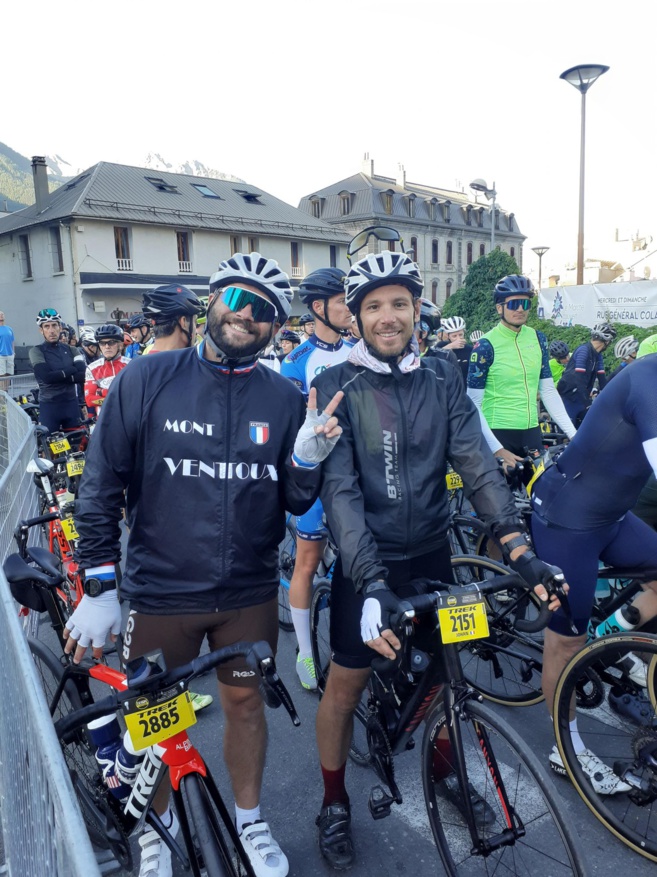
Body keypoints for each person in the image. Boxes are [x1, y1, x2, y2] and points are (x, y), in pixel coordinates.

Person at [62, 252, 343, 877]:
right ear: (209, 303)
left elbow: (296, 500)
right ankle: (159, 835)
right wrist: (100, 584)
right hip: (162, 593)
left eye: (264, 310)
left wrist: (306, 458)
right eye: (236, 300)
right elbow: (101, 486)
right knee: (162, 721)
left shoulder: (285, 395)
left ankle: (250, 820)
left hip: (245, 594)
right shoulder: (146, 379)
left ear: (276, 326)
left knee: (245, 708)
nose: (247, 316)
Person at [311, 251, 563, 870]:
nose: (388, 316)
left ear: (417, 309)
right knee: (346, 686)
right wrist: (368, 581)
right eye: (374, 306)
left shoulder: (444, 376)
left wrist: (520, 551)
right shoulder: (333, 385)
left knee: (450, 673)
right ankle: (334, 800)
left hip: (432, 554)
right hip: (364, 566)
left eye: (399, 303)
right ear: (357, 317)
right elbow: (339, 491)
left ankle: (449, 775)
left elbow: (476, 463)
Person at [531, 353, 657, 793]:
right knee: (565, 642)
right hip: (569, 518)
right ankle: (565, 749)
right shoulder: (648, 378)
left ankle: (605, 640)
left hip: (615, 515)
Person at [280, 267, 353, 690]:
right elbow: (292, 429)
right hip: (316, 478)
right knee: (307, 563)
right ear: (318, 307)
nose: (350, 308)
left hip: (355, 476)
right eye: (343, 301)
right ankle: (306, 654)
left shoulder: (358, 350)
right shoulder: (296, 361)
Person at [467, 275, 576, 469]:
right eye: (514, 303)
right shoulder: (484, 345)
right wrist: (497, 449)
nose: (520, 309)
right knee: (499, 499)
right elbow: (473, 402)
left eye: (525, 303)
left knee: (542, 495)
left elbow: (548, 391)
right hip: (497, 434)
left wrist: (574, 435)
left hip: (531, 432)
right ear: (499, 308)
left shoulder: (538, 338)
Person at [29, 309, 86, 434]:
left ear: (60, 327)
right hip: (50, 407)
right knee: (49, 448)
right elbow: (46, 377)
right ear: (41, 330)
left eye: (54, 325)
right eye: (47, 326)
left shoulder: (72, 349)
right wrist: (72, 370)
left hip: (71, 404)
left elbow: (82, 376)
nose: (51, 330)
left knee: (79, 444)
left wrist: (58, 375)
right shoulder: (36, 351)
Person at [557, 323, 616, 426]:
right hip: (569, 396)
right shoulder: (583, 350)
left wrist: (610, 398)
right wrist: (587, 403)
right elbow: (578, 379)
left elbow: (602, 380)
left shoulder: (598, 356)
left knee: (585, 428)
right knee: (569, 431)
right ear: (606, 341)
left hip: (580, 397)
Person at [83, 324, 130, 417]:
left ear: (120, 345)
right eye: (102, 343)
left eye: (111, 342)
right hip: (104, 419)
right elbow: (89, 400)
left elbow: (135, 395)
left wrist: (101, 392)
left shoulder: (131, 365)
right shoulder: (91, 368)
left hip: (128, 417)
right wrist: (117, 397)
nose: (107, 346)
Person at [436, 315, 472, 382]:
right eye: (454, 336)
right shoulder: (441, 345)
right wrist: (451, 346)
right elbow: (433, 360)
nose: (458, 338)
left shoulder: (469, 349)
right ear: (448, 336)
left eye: (460, 335)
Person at [0, 310, 15, 390]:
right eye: (0, 314)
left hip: (10, 355)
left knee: (8, 374)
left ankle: (6, 392)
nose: (1, 315)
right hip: (1, 355)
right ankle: (2, 394)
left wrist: (13, 353)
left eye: (2, 314)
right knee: (2, 375)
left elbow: (12, 341)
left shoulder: (9, 328)